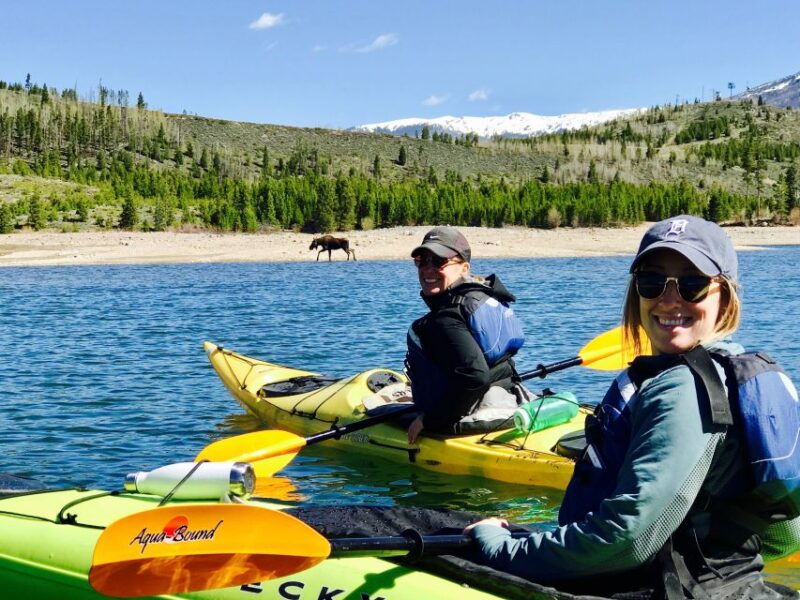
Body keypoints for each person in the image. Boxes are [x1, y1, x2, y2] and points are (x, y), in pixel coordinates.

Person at [465, 215, 800, 599]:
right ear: (636, 291)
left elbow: (628, 539)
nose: (669, 299)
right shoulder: (736, 372)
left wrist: (501, 548)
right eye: (652, 281)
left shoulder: (680, 386)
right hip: (733, 585)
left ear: (725, 295)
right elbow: (785, 533)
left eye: (692, 284)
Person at [405, 226, 525, 444]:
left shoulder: (446, 318)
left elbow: (474, 376)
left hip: (471, 413)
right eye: (422, 260)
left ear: (464, 268)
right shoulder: (481, 297)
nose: (428, 269)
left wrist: (429, 420)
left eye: (439, 261)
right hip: (505, 396)